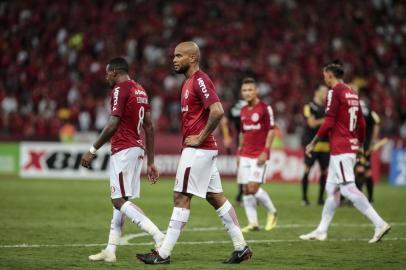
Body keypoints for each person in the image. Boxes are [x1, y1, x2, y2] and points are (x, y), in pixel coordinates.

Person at [136, 41, 252, 264]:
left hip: (198, 149)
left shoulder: (200, 80)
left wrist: (200, 137)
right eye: (174, 56)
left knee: (180, 196)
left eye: (179, 56)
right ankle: (241, 248)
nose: (174, 59)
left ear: (192, 58)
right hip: (201, 150)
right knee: (215, 197)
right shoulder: (188, 83)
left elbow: (217, 111)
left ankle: (163, 254)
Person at [80, 57, 164, 262]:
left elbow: (112, 123)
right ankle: (110, 249)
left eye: (107, 72)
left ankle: (159, 235)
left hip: (124, 149)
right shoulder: (141, 90)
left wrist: (92, 149)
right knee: (121, 201)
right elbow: (150, 127)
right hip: (136, 148)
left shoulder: (120, 89)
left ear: (115, 72)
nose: (106, 76)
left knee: (117, 200)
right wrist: (151, 162)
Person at [299, 60, 390, 243]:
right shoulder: (353, 93)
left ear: (330, 76)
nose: (324, 79)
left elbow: (329, 122)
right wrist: (361, 144)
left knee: (348, 189)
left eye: (324, 76)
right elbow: (362, 123)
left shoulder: (334, 92)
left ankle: (379, 223)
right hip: (349, 145)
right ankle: (321, 230)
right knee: (331, 188)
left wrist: (313, 142)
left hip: (341, 148)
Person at [237, 77, 278, 233]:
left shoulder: (265, 108)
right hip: (245, 154)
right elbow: (242, 133)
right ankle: (253, 223)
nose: (247, 93)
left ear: (256, 91)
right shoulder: (242, 110)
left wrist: (266, 151)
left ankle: (273, 211)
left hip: (259, 154)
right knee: (246, 190)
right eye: (244, 90)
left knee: (253, 187)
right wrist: (238, 152)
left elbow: (272, 130)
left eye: (250, 90)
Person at [301, 85, 329, 206]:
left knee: (324, 172)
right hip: (312, 143)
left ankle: (320, 198)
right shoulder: (309, 106)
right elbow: (311, 124)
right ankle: (305, 198)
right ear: (316, 92)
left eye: (326, 92)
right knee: (307, 169)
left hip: (326, 144)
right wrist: (327, 120)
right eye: (323, 91)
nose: (325, 94)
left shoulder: (328, 108)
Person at [352, 83, 380, 203]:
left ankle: (359, 199)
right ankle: (369, 198)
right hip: (355, 143)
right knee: (361, 170)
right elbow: (376, 122)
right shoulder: (362, 105)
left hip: (360, 144)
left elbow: (376, 123)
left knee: (361, 170)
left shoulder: (362, 106)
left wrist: (372, 141)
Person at [219, 97, 247, 206]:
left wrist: (226, 137)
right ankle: (243, 195)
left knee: (243, 167)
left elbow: (224, 121)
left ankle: (244, 195)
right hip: (244, 139)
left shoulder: (235, 106)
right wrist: (226, 137)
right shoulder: (253, 105)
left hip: (245, 138)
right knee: (243, 166)